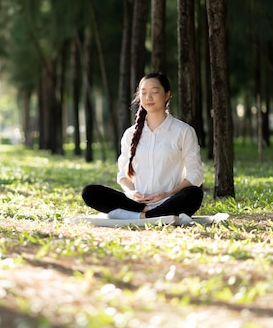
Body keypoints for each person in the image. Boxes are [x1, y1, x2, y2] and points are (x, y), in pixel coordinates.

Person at [81, 72, 204, 220]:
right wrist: (131, 192)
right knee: (90, 192)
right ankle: (148, 213)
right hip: (135, 203)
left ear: (167, 95)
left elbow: (195, 175)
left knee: (194, 194)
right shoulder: (130, 134)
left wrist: (168, 194)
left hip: (169, 200)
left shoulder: (183, 131)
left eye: (154, 92)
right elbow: (123, 176)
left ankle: (138, 216)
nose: (148, 97)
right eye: (143, 92)